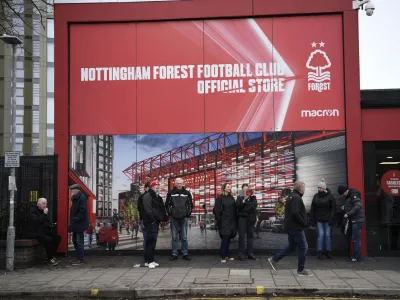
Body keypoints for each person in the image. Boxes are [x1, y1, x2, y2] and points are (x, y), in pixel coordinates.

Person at [268, 181, 313, 277]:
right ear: (301, 189)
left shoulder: (291, 196)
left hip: (290, 226)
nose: (305, 190)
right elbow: (295, 213)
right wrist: (304, 223)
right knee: (304, 246)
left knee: (292, 247)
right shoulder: (296, 198)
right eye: (304, 188)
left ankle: (274, 259)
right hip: (295, 227)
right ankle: (301, 270)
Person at [25, 198, 61, 266]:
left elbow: (45, 222)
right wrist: (44, 214)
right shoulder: (33, 211)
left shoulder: (42, 211)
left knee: (57, 238)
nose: (45, 205)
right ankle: (49, 259)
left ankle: (52, 255)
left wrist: (50, 225)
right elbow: (37, 222)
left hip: (42, 230)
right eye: (44, 203)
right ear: (38, 204)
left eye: (46, 203)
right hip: (34, 232)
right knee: (48, 239)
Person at [165, 177, 193, 261]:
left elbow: (190, 204)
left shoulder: (187, 193)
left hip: (183, 217)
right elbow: (167, 205)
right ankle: (174, 254)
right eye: (177, 183)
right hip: (174, 218)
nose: (179, 184)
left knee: (184, 237)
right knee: (174, 237)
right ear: (175, 184)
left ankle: (185, 254)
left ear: (183, 184)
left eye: (180, 183)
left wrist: (187, 213)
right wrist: (170, 213)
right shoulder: (171, 193)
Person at [142, 180, 168, 269]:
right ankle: (148, 261)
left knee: (153, 241)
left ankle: (151, 260)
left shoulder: (156, 196)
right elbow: (148, 209)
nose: (158, 187)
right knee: (150, 241)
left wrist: (162, 218)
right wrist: (153, 219)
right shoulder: (147, 196)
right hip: (150, 222)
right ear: (151, 187)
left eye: (158, 185)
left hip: (154, 222)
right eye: (155, 185)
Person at [338, 185, 365, 262]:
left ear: (346, 191)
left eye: (343, 193)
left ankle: (357, 257)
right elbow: (352, 205)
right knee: (355, 238)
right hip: (355, 220)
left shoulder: (354, 195)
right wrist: (345, 207)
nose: (343, 195)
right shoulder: (350, 195)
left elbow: (358, 206)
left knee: (356, 239)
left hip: (357, 220)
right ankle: (356, 256)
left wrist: (348, 214)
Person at [310, 179, 336, 259]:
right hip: (319, 219)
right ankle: (319, 251)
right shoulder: (315, 196)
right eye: (318, 188)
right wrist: (312, 219)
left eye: (320, 188)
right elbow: (313, 208)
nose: (319, 189)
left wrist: (331, 218)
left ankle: (328, 251)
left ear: (324, 188)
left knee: (327, 235)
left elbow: (333, 208)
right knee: (321, 235)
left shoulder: (330, 196)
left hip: (328, 219)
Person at [214, 183, 237, 263]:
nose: (229, 188)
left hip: (231, 221)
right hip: (224, 221)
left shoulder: (231, 198)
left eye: (230, 187)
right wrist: (219, 220)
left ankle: (227, 255)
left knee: (229, 238)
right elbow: (216, 210)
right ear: (223, 188)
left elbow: (235, 210)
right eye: (228, 187)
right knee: (225, 238)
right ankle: (223, 256)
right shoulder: (220, 198)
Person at [236, 183, 258, 261]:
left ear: (249, 189)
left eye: (246, 189)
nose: (245, 190)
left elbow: (254, 206)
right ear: (242, 190)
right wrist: (244, 200)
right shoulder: (239, 197)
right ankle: (241, 254)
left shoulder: (253, 197)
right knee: (241, 236)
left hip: (251, 219)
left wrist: (243, 208)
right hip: (242, 219)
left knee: (250, 236)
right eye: (244, 189)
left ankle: (250, 253)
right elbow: (238, 206)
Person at [69, 184, 89, 265]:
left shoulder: (82, 197)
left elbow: (83, 210)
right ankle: (78, 258)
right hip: (75, 223)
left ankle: (80, 259)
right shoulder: (75, 198)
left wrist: (76, 218)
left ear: (76, 190)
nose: (71, 192)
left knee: (79, 241)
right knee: (75, 241)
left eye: (72, 190)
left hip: (79, 224)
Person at [138, 182, 150, 250]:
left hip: (144, 219)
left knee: (146, 237)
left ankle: (146, 252)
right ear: (145, 188)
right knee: (147, 237)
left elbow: (139, 208)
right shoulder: (143, 197)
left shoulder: (141, 197)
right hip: (146, 220)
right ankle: (148, 253)